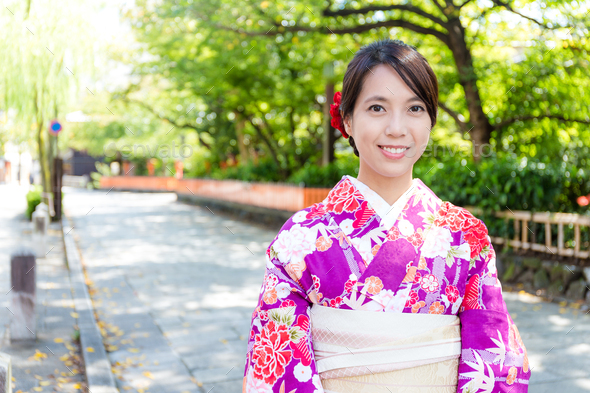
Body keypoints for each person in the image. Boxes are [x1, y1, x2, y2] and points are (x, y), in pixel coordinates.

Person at [242, 38, 530, 393]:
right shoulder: (299, 238)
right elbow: (275, 366)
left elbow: (495, 360)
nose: (397, 128)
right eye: (377, 108)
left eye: (415, 108)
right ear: (347, 119)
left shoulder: (465, 235)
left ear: (430, 121)